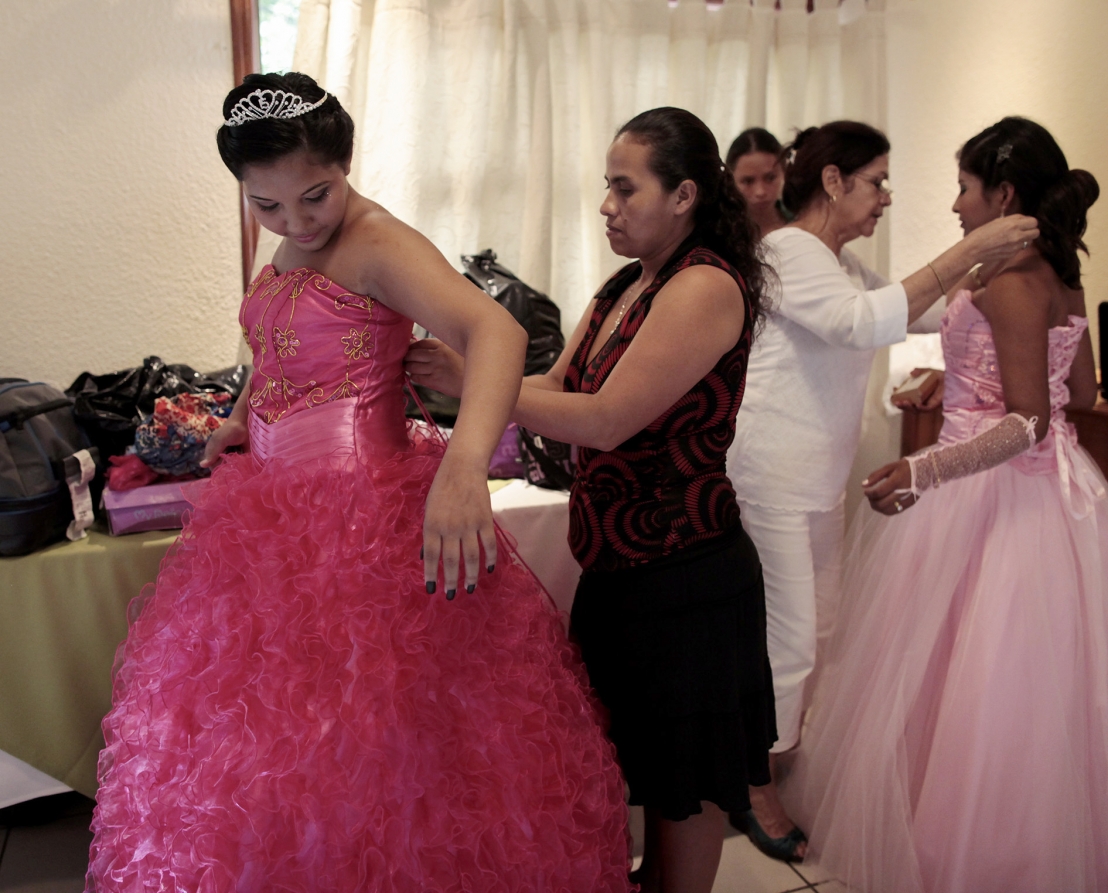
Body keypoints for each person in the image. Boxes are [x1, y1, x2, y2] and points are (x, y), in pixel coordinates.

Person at [86, 72, 633, 892]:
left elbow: (498, 331)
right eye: (267, 206)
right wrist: (244, 415)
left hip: (362, 520)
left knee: (371, 745)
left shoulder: (378, 240)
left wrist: (462, 467)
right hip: (273, 519)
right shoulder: (292, 238)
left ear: (346, 164)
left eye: (316, 195)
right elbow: (277, 346)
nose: (296, 221)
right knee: (275, 748)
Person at [789, 116, 1108, 892]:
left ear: (1003, 192)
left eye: (965, 187)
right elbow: (1076, 392)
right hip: (1063, 495)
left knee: (970, 670)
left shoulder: (1006, 281)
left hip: (992, 491)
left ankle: (964, 850)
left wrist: (928, 468)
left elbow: (1031, 419)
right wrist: (962, 383)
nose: (954, 204)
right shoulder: (1060, 273)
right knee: (1035, 683)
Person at [407, 107, 775, 893]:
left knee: (686, 783)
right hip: (619, 571)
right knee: (625, 765)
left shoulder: (704, 285)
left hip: (689, 576)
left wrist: (481, 387)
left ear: (682, 195)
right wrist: (460, 374)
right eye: (605, 187)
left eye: (623, 187)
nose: (606, 205)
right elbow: (555, 387)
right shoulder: (625, 284)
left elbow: (606, 420)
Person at [723, 120, 1039, 861]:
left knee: (819, 629)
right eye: (877, 181)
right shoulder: (788, 250)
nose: (886, 197)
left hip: (814, 480)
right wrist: (968, 250)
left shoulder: (839, 260)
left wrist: (1013, 264)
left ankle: (768, 759)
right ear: (833, 182)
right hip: (769, 475)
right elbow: (857, 324)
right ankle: (751, 784)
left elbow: (922, 310)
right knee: (792, 639)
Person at [726, 127, 790, 238]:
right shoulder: (719, 231)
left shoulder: (802, 221)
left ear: (783, 171)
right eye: (748, 181)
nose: (760, 192)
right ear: (731, 180)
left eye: (770, 178)